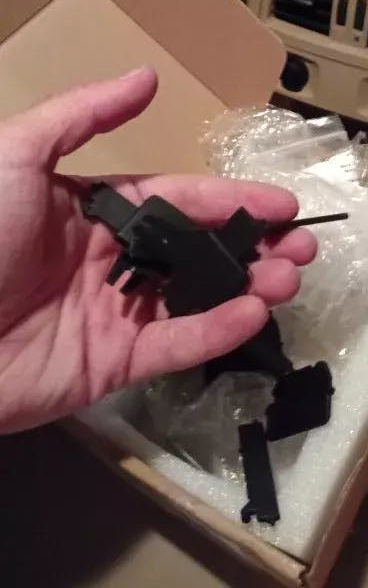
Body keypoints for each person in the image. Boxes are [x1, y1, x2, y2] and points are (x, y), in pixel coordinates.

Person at [0, 67, 316, 434]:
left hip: (189, 267)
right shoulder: (140, 238)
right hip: (180, 266)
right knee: (240, 311)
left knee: (246, 309)